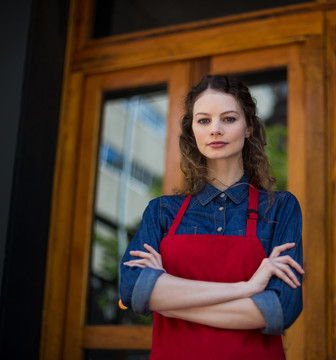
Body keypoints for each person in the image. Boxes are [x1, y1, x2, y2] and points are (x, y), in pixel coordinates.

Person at [119, 75, 304, 359]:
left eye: (228, 119)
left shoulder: (280, 208)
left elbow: (278, 310)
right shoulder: (162, 212)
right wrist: (247, 289)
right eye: (203, 120)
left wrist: (166, 297)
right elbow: (132, 290)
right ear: (193, 130)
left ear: (249, 127)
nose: (215, 129)